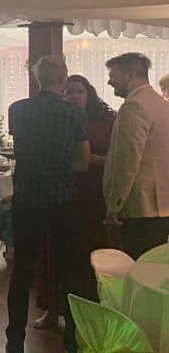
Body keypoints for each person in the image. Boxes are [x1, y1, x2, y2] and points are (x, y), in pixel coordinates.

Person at [6, 55, 92, 353]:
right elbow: (83, 162)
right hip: (62, 200)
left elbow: (21, 151)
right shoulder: (74, 114)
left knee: (21, 271)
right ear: (64, 79)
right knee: (70, 272)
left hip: (27, 199)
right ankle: (71, 345)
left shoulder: (18, 110)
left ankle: (15, 341)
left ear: (37, 78)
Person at [103, 52, 169, 259]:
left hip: (140, 205)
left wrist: (115, 205)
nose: (109, 81)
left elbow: (127, 161)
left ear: (129, 75)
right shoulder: (161, 104)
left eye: (112, 76)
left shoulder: (134, 106)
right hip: (162, 204)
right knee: (154, 265)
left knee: (138, 263)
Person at [65, 75, 118, 255]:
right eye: (69, 92)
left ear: (89, 94)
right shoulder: (59, 119)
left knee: (98, 233)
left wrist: (98, 160)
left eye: (80, 92)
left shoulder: (106, 120)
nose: (75, 96)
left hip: (99, 183)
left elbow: (120, 152)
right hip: (70, 184)